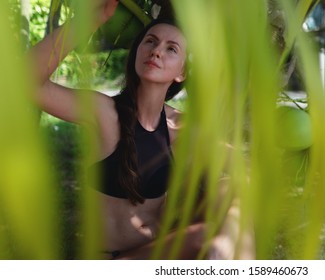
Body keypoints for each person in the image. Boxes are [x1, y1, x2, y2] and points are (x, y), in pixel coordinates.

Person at [30, 0, 211, 259]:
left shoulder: (180, 127)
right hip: (109, 261)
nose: (157, 51)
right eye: (150, 41)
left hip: (157, 256)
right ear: (137, 51)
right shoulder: (103, 113)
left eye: (171, 48)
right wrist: (90, 20)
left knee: (216, 234)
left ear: (182, 72)